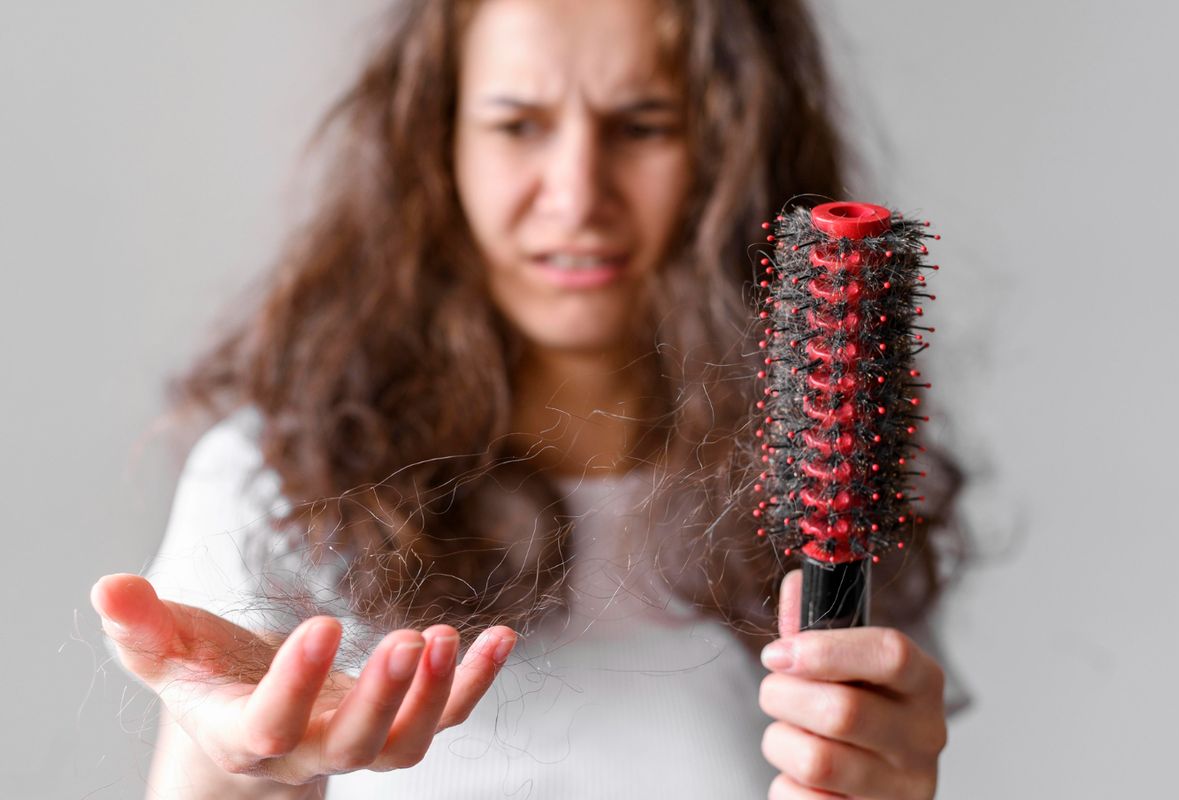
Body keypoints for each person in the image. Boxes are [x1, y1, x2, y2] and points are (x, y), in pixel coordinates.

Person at [91, 0, 960, 797]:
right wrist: (245, 769)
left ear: (731, 147)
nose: (578, 195)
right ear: (440, 146)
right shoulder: (275, 483)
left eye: (643, 124)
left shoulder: (830, 484)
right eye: (518, 125)